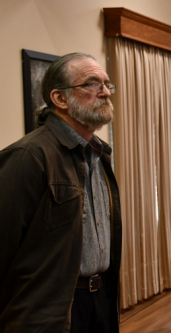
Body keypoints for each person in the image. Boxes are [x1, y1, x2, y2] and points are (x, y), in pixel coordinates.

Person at [0, 53, 122, 332]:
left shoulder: (99, 153)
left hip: (101, 300)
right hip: (52, 310)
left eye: (106, 84)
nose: (105, 92)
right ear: (60, 99)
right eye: (92, 84)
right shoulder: (28, 156)